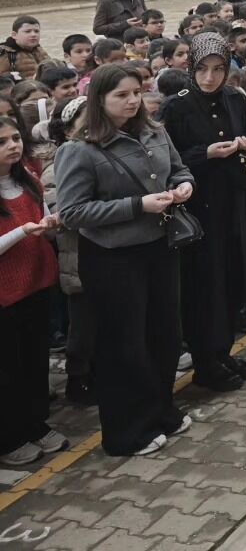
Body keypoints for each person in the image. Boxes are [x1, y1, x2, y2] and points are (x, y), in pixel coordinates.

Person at [55, 64, 194, 457]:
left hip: (159, 245)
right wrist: (137, 205)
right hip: (113, 258)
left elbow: (180, 170)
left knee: (164, 336)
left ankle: (161, 410)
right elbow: (74, 212)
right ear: (99, 99)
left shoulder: (155, 132)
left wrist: (182, 186)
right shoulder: (79, 150)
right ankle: (125, 431)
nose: (132, 101)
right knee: (124, 346)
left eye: (136, 92)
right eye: (121, 95)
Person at [160, 34, 246, 390]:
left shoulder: (235, 99)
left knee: (233, 277)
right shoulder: (176, 107)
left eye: (218, 70)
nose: (210, 78)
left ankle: (223, 351)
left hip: (236, 200)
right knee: (206, 285)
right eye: (203, 70)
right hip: (201, 207)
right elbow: (169, 160)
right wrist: (207, 153)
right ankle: (206, 362)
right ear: (191, 68)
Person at [0, 114, 65, 466]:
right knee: (8, 368)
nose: (13, 145)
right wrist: (22, 232)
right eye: (2, 141)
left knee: (34, 361)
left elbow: (40, 222)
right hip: (5, 295)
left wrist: (49, 224)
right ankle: (10, 436)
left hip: (36, 283)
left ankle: (36, 423)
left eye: (15, 138)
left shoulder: (29, 181)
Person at [43, 97, 96, 406]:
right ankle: (79, 379)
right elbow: (59, 212)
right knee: (84, 324)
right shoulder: (58, 164)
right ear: (68, 129)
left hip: (104, 255)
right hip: (77, 257)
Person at [0, 16, 49, 81]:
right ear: (14, 35)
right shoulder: (5, 53)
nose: (33, 34)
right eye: (28, 31)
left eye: (36, 31)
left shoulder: (39, 50)